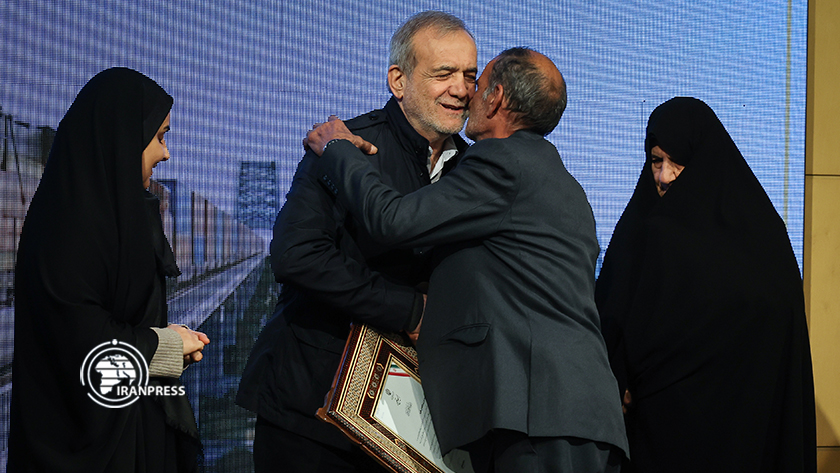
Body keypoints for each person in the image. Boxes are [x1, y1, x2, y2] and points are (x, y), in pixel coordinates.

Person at [306, 47, 628, 473]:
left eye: (477, 83)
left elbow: (394, 220)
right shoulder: (561, 182)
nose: (466, 94)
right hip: (573, 414)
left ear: (496, 99)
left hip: (539, 416)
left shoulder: (503, 161)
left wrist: (338, 150)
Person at [235, 11, 476, 472]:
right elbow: (297, 255)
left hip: (408, 427)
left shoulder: (476, 169)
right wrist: (410, 311)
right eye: (443, 73)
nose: (461, 89)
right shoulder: (343, 146)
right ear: (398, 80)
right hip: (311, 412)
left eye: (469, 75)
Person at [594, 97, 816, 472]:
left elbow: (779, 329)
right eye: (655, 161)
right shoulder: (641, 228)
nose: (664, 176)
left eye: (678, 161)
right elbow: (610, 320)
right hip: (657, 434)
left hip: (741, 430)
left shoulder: (762, 236)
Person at [7, 67, 209, 472]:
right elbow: (78, 340)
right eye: (159, 137)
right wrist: (166, 346)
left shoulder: (116, 215)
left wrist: (166, 346)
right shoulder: (67, 227)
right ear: (122, 138)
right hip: (87, 448)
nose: (165, 153)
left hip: (129, 427)